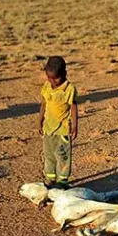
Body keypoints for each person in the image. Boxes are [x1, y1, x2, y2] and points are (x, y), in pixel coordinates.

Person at [37, 56, 78, 189]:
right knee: (49, 156)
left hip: (62, 130)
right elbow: (44, 103)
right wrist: (40, 120)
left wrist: (75, 126)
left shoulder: (69, 89)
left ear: (64, 74)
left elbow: (73, 107)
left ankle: (63, 181)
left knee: (63, 156)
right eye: (49, 78)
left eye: (56, 78)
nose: (52, 81)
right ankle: (50, 179)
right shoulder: (47, 86)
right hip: (48, 129)